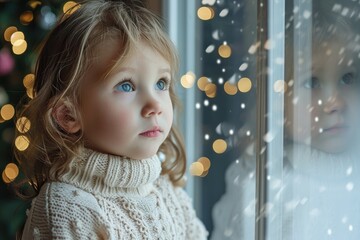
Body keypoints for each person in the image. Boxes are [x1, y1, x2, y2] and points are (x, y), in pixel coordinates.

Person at [14, 0, 208, 239]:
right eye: (126, 85)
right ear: (68, 115)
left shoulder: (165, 188)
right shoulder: (66, 208)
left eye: (161, 83)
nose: (155, 105)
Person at [211, 1, 360, 239]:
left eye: (348, 78)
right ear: (275, 99)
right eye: (312, 83)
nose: (335, 103)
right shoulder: (262, 183)